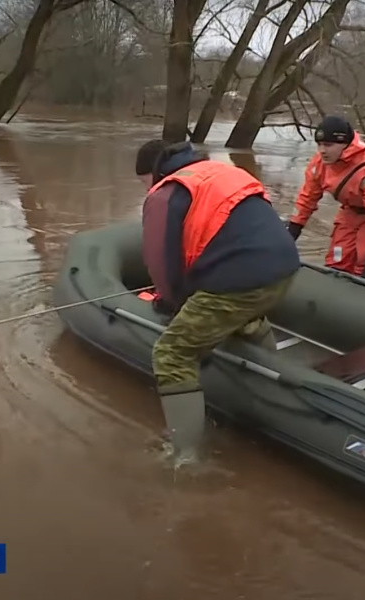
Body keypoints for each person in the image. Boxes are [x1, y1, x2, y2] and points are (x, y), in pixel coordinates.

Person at [135, 139, 301, 459]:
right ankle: (269, 381)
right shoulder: (221, 171)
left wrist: (171, 303)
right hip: (284, 268)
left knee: (172, 353)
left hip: (237, 279)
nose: (146, 189)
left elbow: (160, 262)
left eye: (143, 182)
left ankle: (184, 456)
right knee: (242, 315)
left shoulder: (167, 192)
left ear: (153, 174)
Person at [285, 116, 365, 283]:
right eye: (319, 144)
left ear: (344, 144)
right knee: (337, 262)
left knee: (363, 264)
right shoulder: (320, 164)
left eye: (328, 145)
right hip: (350, 211)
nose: (322, 150)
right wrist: (289, 237)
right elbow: (306, 200)